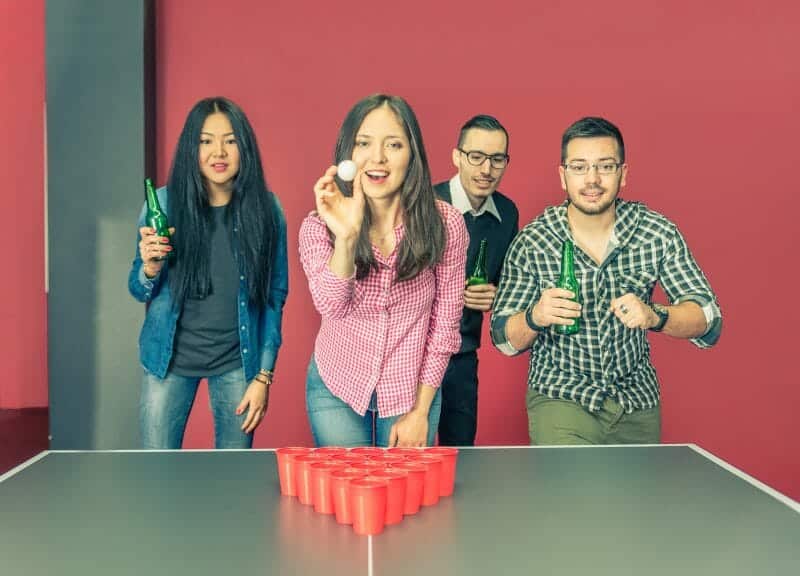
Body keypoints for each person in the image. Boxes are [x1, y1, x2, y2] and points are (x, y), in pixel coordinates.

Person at [490, 116, 722, 445]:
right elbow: (502, 337)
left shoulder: (656, 233)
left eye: (606, 166)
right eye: (580, 167)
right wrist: (535, 316)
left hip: (637, 402)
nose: (593, 179)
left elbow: (709, 320)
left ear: (623, 174)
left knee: (636, 499)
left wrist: (656, 316)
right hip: (561, 398)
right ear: (563, 175)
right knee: (574, 496)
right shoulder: (534, 241)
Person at [300, 94, 468, 447]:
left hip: (410, 394)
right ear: (349, 151)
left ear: (412, 154)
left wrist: (421, 411)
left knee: (406, 499)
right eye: (364, 143)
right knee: (347, 499)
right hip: (336, 388)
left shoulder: (446, 224)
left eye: (393, 144)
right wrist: (345, 237)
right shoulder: (318, 227)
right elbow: (331, 305)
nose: (377, 158)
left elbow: (445, 327)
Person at [128, 97, 288, 449]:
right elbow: (138, 289)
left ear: (244, 147)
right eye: (205, 141)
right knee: (155, 472)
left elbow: (275, 296)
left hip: (236, 361)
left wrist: (263, 376)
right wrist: (150, 268)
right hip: (167, 360)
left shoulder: (267, 210)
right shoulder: (164, 205)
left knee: (230, 476)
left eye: (230, 140)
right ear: (191, 148)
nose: (219, 152)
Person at [434, 115, 519, 446]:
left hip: (464, 355)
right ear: (457, 157)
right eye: (476, 157)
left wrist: (496, 295)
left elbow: (510, 286)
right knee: (409, 456)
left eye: (497, 159)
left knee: (461, 453)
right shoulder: (424, 204)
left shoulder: (508, 213)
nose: (486, 169)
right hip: (411, 355)